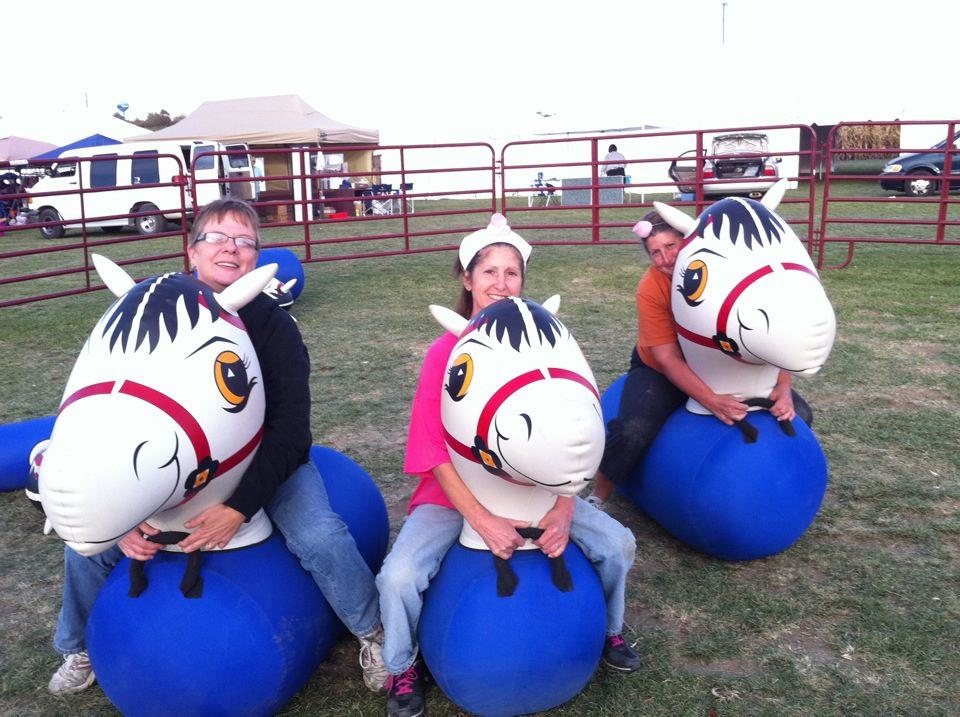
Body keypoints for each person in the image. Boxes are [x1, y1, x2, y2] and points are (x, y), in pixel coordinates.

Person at [47, 197, 388, 696]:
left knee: (321, 536)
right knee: (84, 546)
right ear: (192, 250)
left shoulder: (273, 325)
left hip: (263, 461)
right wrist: (121, 517)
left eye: (244, 241)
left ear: (256, 257)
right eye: (218, 237)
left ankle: (372, 631)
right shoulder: (155, 310)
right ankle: (76, 645)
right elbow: (117, 411)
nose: (231, 248)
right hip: (174, 462)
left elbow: (292, 429)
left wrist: (239, 507)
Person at [376, 214, 641, 717]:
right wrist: (481, 519)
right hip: (454, 495)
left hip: (539, 491)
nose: (501, 283)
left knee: (616, 544)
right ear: (467, 278)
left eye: (511, 273)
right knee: (399, 576)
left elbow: (571, 439)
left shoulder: (544, 344)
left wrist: (564, 507)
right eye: (489, 272)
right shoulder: (445, 352)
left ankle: (608, 629)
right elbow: (432, 451)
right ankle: (401, 665)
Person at [587, 211, 813, 508]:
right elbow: (667, 358)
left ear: (689, 241)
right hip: (660, 367)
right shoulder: (652, 287)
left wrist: (783, 387)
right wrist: (711, 400)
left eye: (671, 246)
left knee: (800, 413)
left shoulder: (725, 271)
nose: (666, 258)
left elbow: (768, 336)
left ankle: (786, 483)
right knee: (634, 429)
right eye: (655, 252)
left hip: (719, 361)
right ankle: (599, 496)